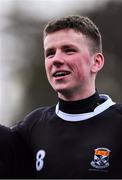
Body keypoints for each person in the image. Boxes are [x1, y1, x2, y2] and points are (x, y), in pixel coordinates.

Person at [12, 15, 122, 178]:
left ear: (96, 62)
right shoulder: (32, 127)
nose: (56, 59)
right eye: (50, 53)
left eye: (69, 50)